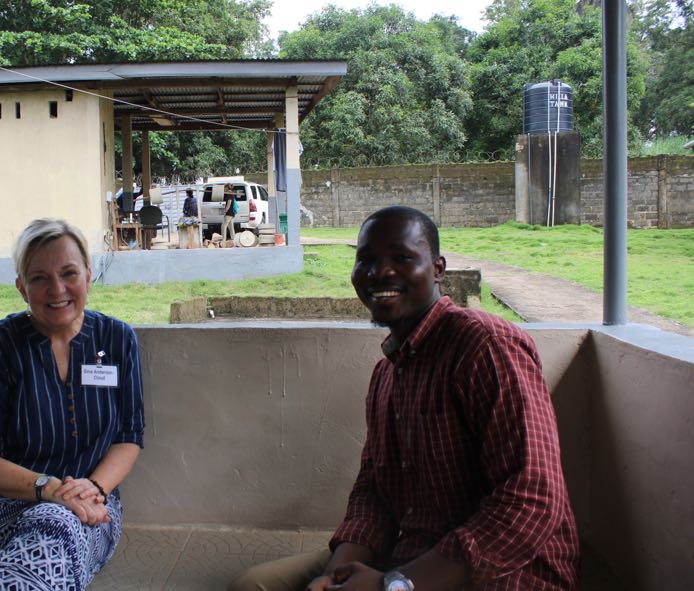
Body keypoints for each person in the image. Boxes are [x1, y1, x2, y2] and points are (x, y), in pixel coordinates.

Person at [229, 205, 579, 591]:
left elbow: (533, 498)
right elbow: (373, 492)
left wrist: (395, 584)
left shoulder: (486, 346)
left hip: (503, 573)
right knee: (253, 586)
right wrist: (337, 572)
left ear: (439, 269)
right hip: (405, 556)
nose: (380, 273)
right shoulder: (387, 373)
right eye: (367, 260)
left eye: (402, 258)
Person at [0, 218, 145, 590]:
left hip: (89, 506)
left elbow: (129, 436)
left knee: (56, 528)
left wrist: (94, 489)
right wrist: (49, 489)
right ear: (21, 288)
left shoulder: (117, 339)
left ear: (88, 275)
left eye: (69, 273)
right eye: (39, 278)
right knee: (45, 558)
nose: (57, 289)